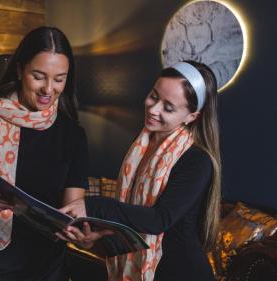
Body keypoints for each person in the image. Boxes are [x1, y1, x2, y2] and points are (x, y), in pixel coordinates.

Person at [0, 26, 89, 281]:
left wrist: (82, 233)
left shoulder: (73, 134)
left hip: (47, 267)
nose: (48, 89)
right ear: (20, 70)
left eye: (59, 79)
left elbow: (73, 209)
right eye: (39, 76)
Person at [58, 61, 221, 281]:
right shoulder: (143, 144)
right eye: (154, 96)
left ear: (192, 116)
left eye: (168, 107)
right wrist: (96, 238)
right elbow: (133, 220)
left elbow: (158, 220)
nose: (154, 109)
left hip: (180, 272)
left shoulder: (197, 160)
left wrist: (92, 205)